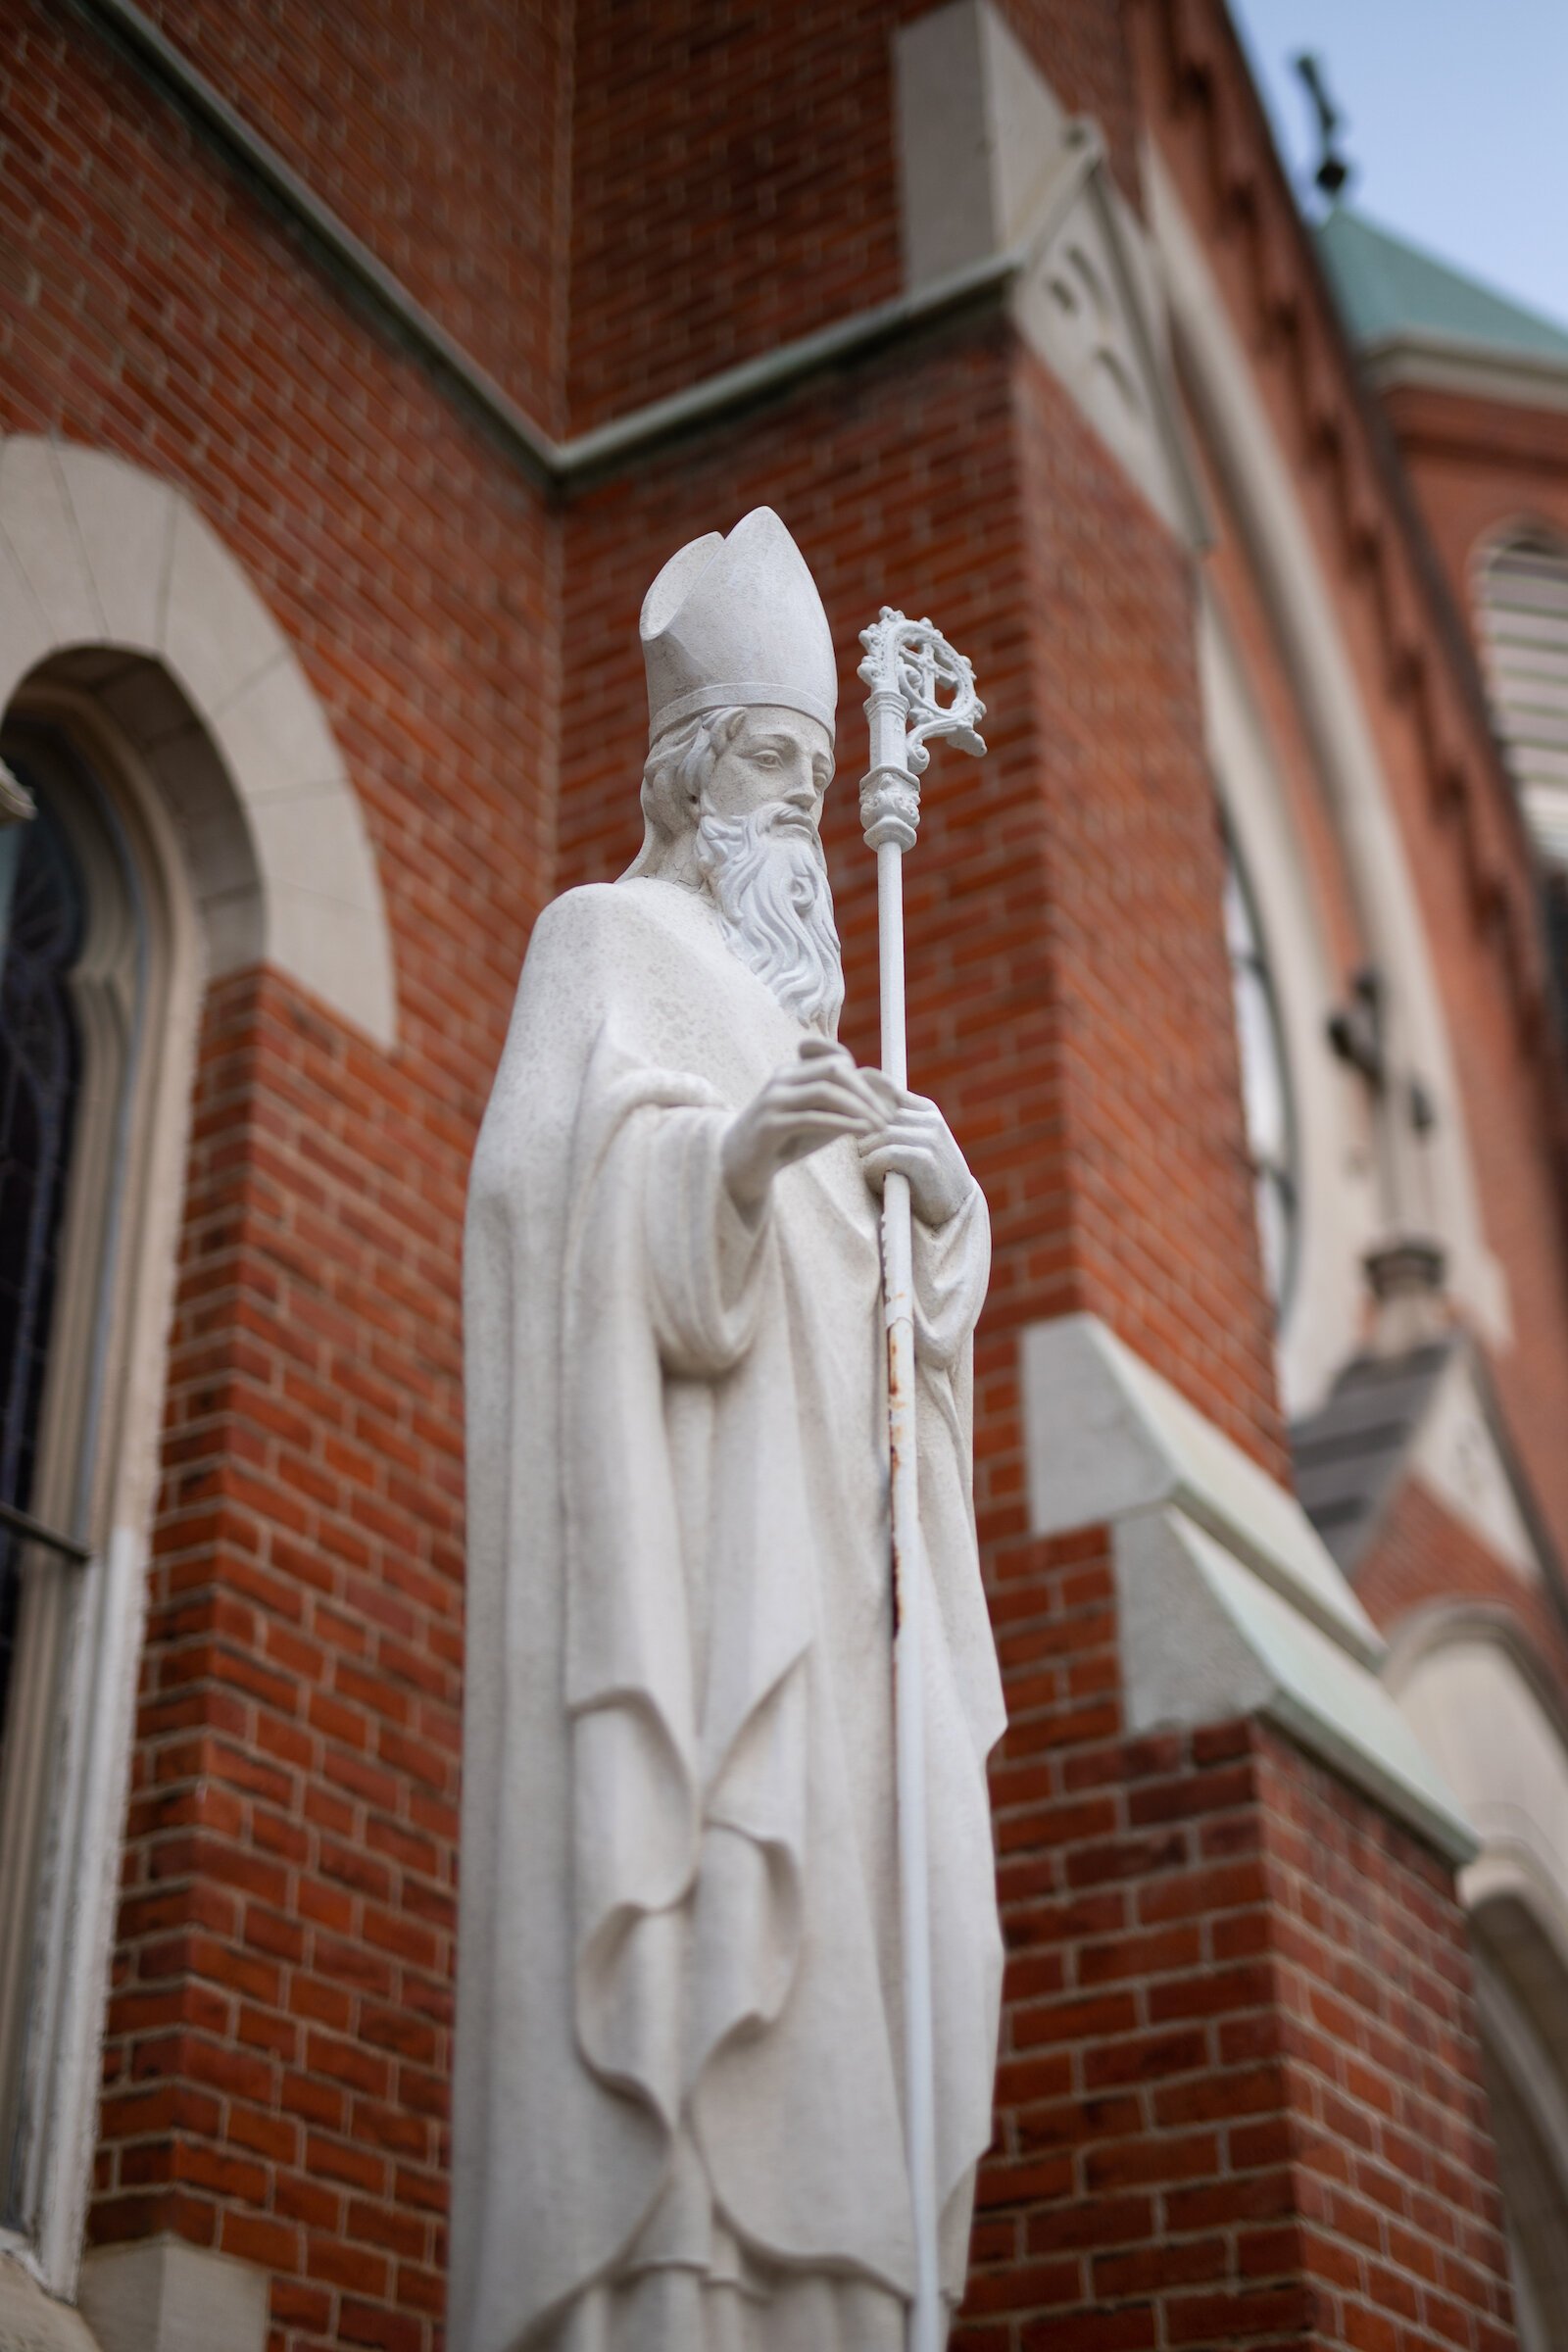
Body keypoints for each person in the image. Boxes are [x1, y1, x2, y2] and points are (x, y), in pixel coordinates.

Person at [452, 509, 1004, 2352]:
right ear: (690, 781)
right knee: (703, 2081)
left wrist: (940, 1226)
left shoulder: (831, 1042)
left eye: (816, 774)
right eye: (773, 767)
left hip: (829, 1634)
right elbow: (544, 1211)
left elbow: (887, 1395)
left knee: (877, 2000)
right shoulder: (600, 941)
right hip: (688, 1620)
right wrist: (719, 1168)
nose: (806, 817)